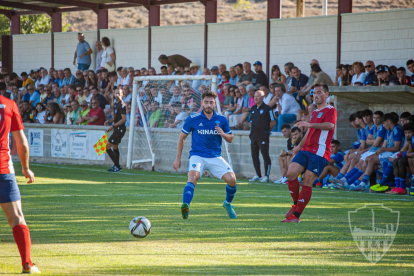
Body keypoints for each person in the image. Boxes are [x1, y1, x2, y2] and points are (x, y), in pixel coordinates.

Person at [173, 91, 237, 220]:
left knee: (232, 180)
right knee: (193, 177)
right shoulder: (193, 118)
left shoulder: (222, 119)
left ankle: (228, 204)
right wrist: (178, 158)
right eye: (206, 102)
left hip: (215, 156)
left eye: (211, 102)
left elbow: (230, 138)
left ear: (214, 104)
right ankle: (186, 205)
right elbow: (182, 138)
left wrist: (223, 134)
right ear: (202, 103)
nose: (208, 105)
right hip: (197, 155)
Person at [282, 83, 337, 223]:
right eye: (314, 93)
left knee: (307, 181)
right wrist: (299, 146)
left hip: (319, 152)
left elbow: (330, 126)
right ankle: (295, 204)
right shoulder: (314, 112)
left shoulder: (330, 110)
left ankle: (296, 216)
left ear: (326, 95)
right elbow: (310, 132)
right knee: (291, 173)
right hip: (306, 149)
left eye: (319, 92)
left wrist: (309, 125)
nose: (316, 95)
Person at [0, 94, 41, 274]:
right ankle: (27, 264)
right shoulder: (8, 104)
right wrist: (26, 168)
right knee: (17, 217)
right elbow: (21, 141)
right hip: (3, 170)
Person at [248, 90, 275, 183]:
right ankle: (258, 175)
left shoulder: (268, 109)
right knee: (254, 156)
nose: (256, 98)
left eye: (258, 96)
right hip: (253, 136)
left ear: (263, 97)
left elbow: (273, 121)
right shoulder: (253, 108)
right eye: (255, 96)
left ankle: (266, 176)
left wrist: (266, 132)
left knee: (265, 155)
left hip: (263, 136)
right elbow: (252, 122)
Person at [105, 89, 126, 172]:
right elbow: (117, 117)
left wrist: (112, 126)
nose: (117, 94)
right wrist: (109, 121)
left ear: (122, 95)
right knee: (115, 147)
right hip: (117, 129)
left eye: (119, 93)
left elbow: (124, 119)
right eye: (116, 93)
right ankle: (117, 166)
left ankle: (117, 166)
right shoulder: (116, 104)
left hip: (119, 129)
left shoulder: (122, 105)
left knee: (107, 146)